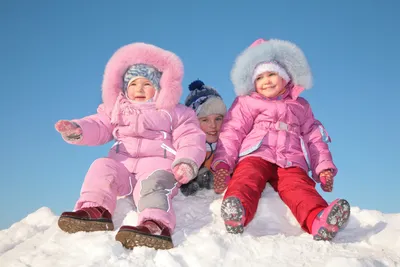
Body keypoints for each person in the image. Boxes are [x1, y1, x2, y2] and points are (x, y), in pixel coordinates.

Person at [54, 42, 206, 250]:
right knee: (101, 166)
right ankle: (95, 209)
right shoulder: (116, 109)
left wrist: (186, 161)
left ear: (159, 87)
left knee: (154, 185)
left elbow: (190, 137)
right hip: (123, 166)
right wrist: (78, 129)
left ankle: (155, 224)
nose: (139, 89)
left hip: (157, 167)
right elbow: (99, 125)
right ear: (124, 88)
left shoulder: (174, 112)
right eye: (133, 84)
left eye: (146, 84)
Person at [211, 38, 350, 241]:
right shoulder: (247, 102)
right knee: (247, 178)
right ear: (252, 82)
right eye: (259, 77)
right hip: (256, 154)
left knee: (300, 188)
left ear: (286, 77)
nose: (266, 81)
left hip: (290, 160)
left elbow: (313, 137)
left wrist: (323, 168)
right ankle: (237, 210)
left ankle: (318, 219)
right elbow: (232, 131)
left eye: (272, 74)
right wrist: (224, 162)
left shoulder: (300, 105)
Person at [180, 80, 227, 196]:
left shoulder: (229, 146)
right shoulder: (187, 146)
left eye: (218, 119)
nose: (213, 125)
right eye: (205, 120)